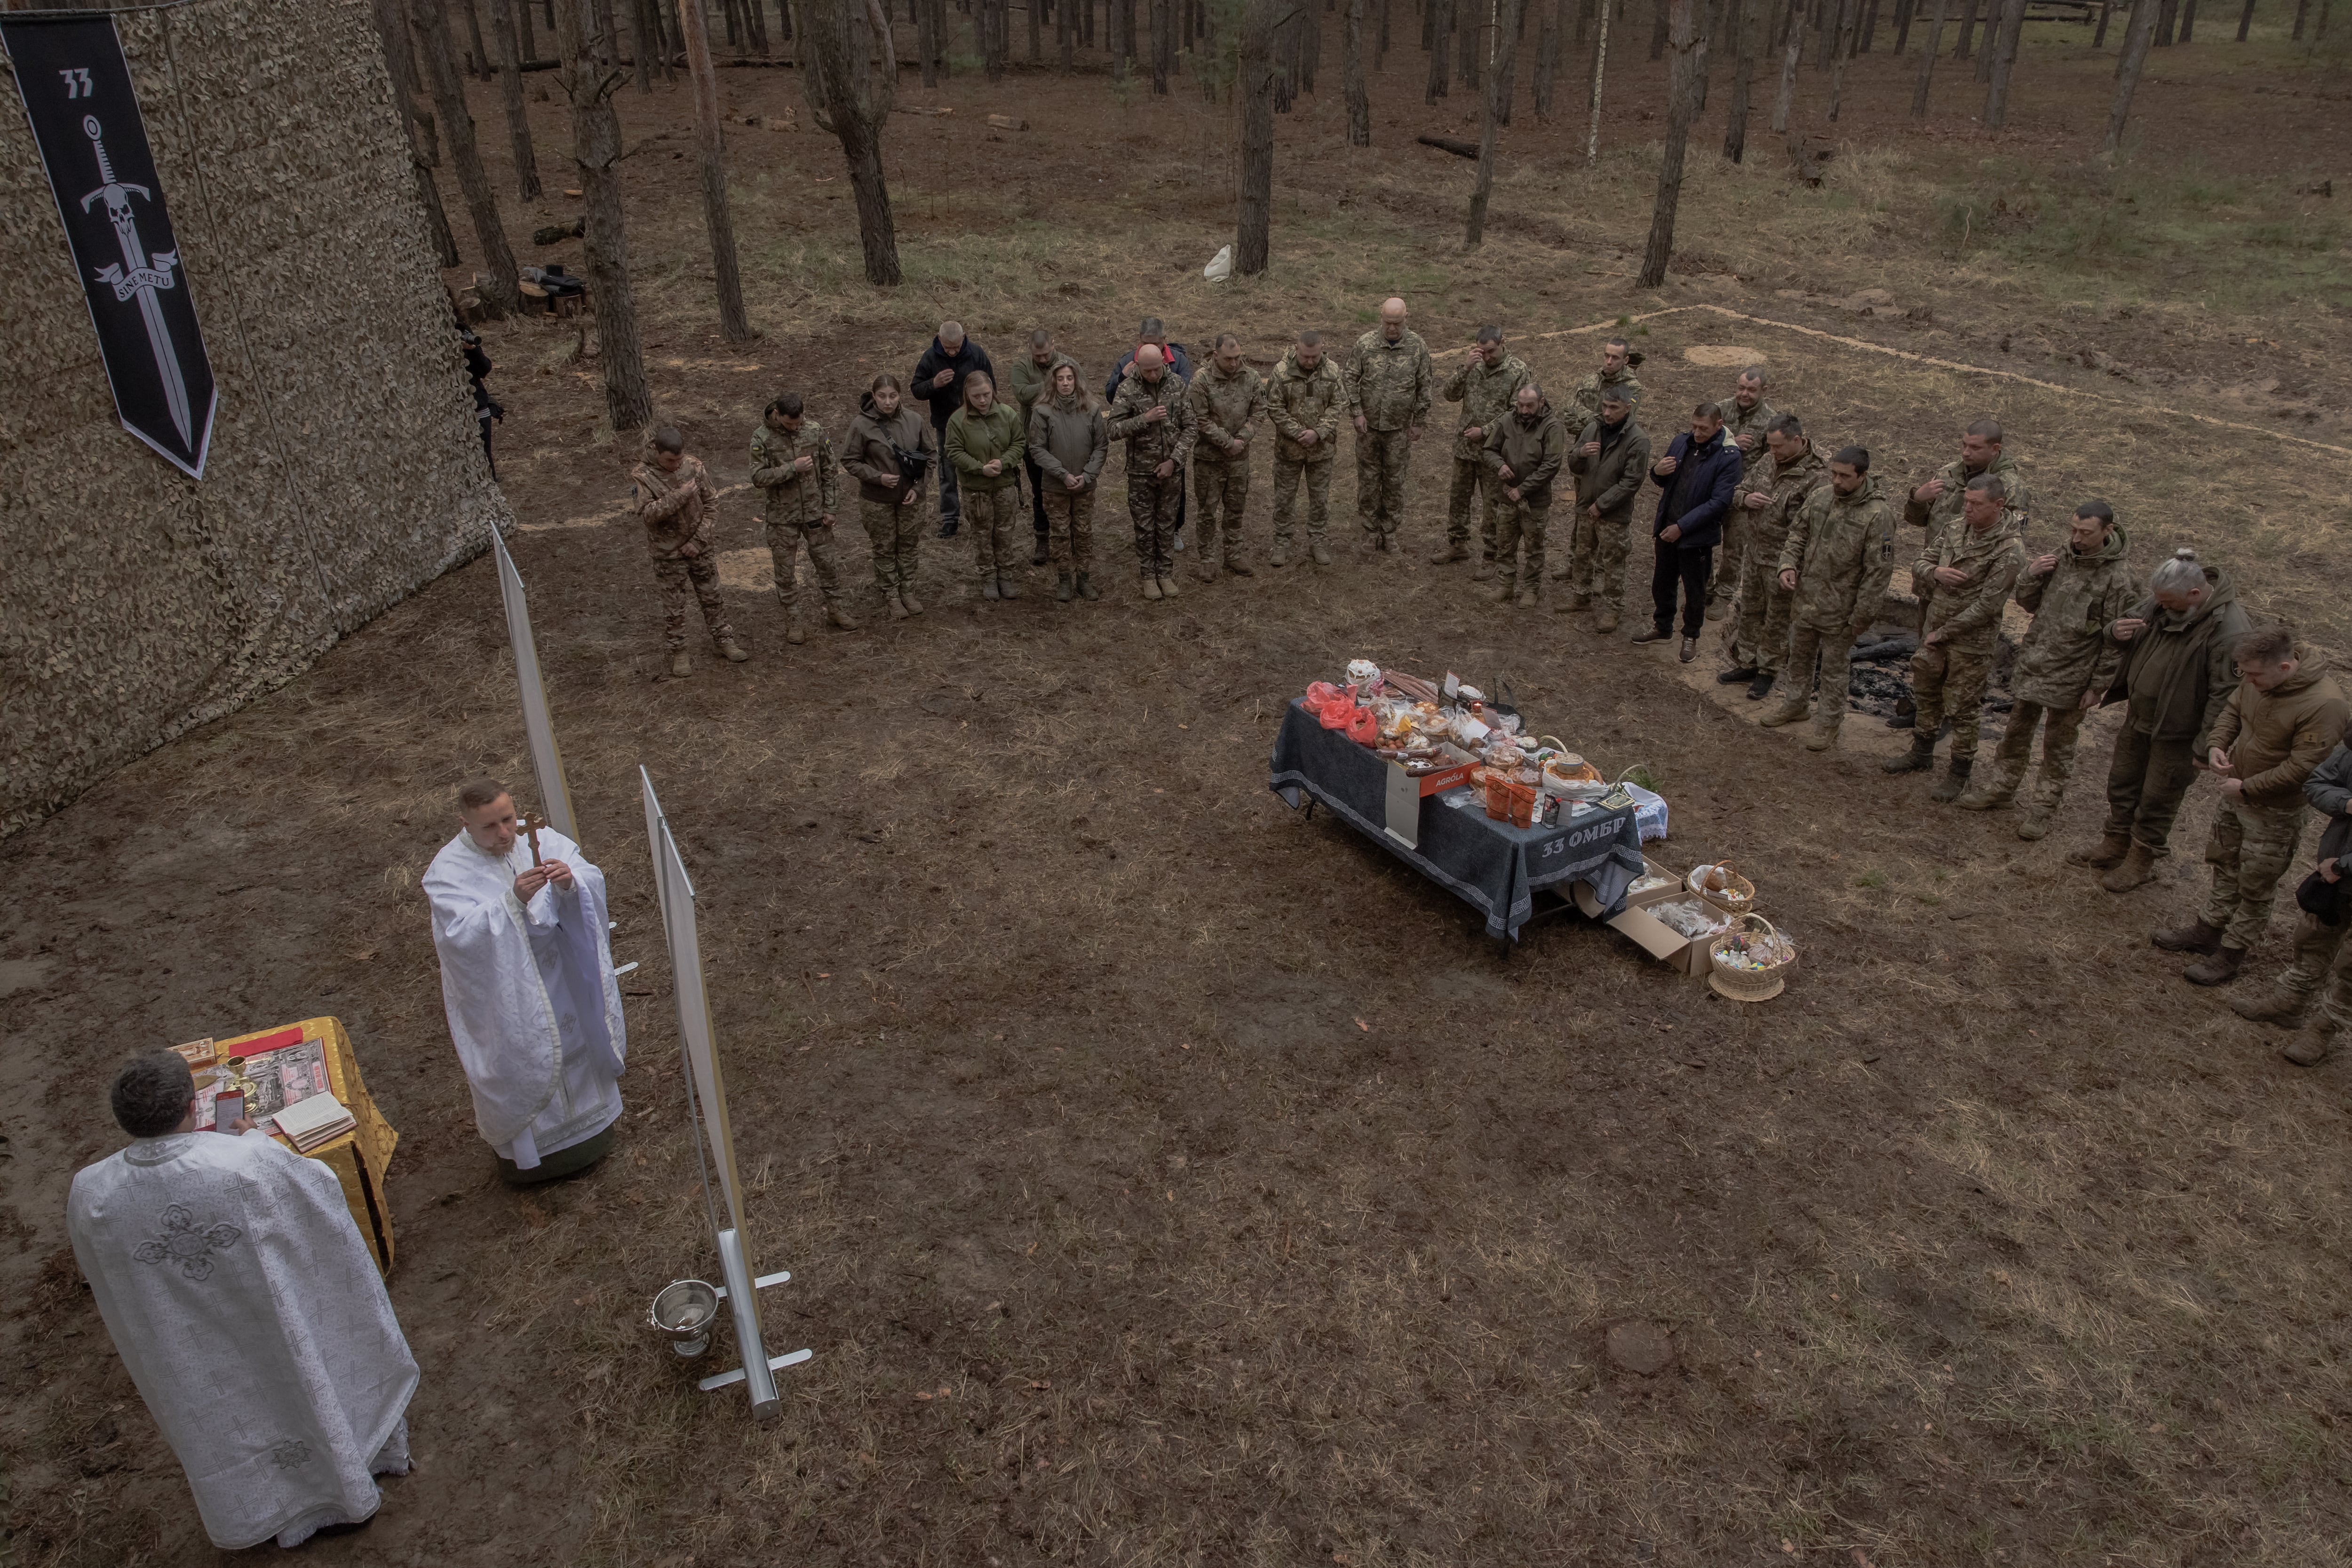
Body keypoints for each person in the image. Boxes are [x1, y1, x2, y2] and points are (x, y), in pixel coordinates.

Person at [67, 1051, 420, 1550]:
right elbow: (317, 1191)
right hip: (265, 1317)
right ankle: (342, 1481)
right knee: (301, 1386)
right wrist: (254, 1140)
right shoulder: (242, 1162)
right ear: (192, 1107)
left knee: (227, 1415)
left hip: (182, 1341)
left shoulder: (92, 1192)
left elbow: (108, 1271)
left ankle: (266, 1506)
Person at [426, 778, 628, 1181]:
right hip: (508, 993)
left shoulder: (539, 837)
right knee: (523, 1059)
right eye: (490, 826)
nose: (505, 833)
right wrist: (512, 902)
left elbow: (587, 875)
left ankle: (594, 1132)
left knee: (575, 1040)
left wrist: (570, 882)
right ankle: (536, 1159)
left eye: (508, 819)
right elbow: (458, 937)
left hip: (563, 977)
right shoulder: (447, 872)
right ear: (465, 823)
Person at [2146, 628, 2348, 987]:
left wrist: (2249, 787)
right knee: (2224, 864)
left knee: (2255, 883)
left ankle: (2233, 952)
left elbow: (2305, 767)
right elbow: (2233, 709)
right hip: (2237, 795)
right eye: (2245, 673)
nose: (2249, 680)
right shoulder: (2257, 678)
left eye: (2254, 674)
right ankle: (2208, 930)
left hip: (2276, 811)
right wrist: (2217, 744)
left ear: (2284, 667)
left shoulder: (2325, 704)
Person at [2069, 548, 2251, 892]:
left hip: (2179, 733)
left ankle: (2142, 859)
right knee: (2122, 782)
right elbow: (2126, 623)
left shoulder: (2229, 632)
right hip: (2140, 718)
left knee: (2158, 796)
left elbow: (2227, 697)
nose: (2161, 607)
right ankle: (2115, 843)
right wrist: (2115, 630)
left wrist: (2207, 746)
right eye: (2160, 601)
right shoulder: (2165, 601)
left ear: (2194, 594)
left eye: (2169, 603)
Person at [1954, 501, 2134, 836]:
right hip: (2035, 664)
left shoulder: (2119, 579)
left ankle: (2042, 810)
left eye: (2086, 532)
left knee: (2058, 747)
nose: (2077, 538)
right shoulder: (2061, 557)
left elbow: (2116, 640)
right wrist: (2030, 574)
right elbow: (2028, 603)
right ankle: (2001, 790)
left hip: (2074, 675)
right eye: (2074, 530)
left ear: (2108, 531)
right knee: (2015, 733)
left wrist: (2098, 686)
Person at [1882, 473, 2028, 802]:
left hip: (1969, 643)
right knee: (1927, 694)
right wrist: (1935, 572)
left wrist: (1943, 633)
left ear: (1999, 505)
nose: (1968, 509)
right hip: (1935, 630)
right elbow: (1920, 561)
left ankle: (1959, 773)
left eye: (1976, 504)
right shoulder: (1954, 528)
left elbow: (1988, 606)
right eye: (1967, 502)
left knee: (1963, 708)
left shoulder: (2010, 549)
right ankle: (1921, 752)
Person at [1759, 446, 1898, 752]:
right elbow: (1797, 535)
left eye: (1844, 476)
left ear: (1863, 476)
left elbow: (1878, 574)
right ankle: (1796, 705)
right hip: (1806, 598)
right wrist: (1787, 565)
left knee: (1834, 671)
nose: (1836, 480)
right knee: (1799, 657)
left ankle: (1829, 723)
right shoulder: (1820, 497)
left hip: (1841, 610)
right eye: (1834, 473)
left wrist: (1861, 617)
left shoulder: (1878, 515)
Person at [1895, 418, 2032, 727]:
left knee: (1959, 661)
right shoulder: (1948, 473)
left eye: (1975, 447)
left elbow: (2011, 537)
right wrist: (1917, 499)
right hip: (1935, 579)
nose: (1966, 452)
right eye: (1964, 445)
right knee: (1928, 651)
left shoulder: (2010, 487)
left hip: (1971, 592)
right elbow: (1919, 520)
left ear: (1995, 449)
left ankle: (1949, 715)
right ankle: (1926, 712)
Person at [2232, 737, 2352, 1064]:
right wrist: (2347, 803)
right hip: (2334, 877)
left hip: (2338, 869)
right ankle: (2289, 1004)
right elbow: (2316, 784)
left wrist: (2343, 866)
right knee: (2312, 938)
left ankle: (2323, 1030)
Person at [1718, 414, 1826, 701]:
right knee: (1751, 611)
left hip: (1784, 561)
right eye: (1770, 445)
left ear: (1797, 440)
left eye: (1778, 446)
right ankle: (1747, 663)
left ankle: (1768, 671)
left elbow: (1813, 527)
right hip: (1755, 554)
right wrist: (1746, 500)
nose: (1773, 451)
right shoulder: (1768, 461)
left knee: (1777, 618)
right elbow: (1739, 491)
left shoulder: (1818, 475)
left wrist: (1794, 564)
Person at [632, 426, 747, 678]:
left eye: (679, 459)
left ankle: (724, 640)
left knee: (712, 597)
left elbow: (712, 502)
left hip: (700, 549)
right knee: (675, 607)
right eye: (670, 461)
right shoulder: (643, 476)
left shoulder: (693, 466)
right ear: (657, 453)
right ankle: (680, 652)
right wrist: (680, 496)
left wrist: (699, 540)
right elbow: (648, 515)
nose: (676, 465)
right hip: (668, 554)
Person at [1633, 402, 1741, 662]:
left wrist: (1682, 527)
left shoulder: (1729, 456)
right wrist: (1656, 472)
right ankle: (1663, 627)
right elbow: (1665, 480)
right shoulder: (1681, 443)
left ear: (1719, 425)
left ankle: (1691, 635)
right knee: (1662, 583)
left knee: (1695, 591)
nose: (1697, 433)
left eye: (1703, 428)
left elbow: (1719, 503)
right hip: (1667, 527)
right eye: (1694, 426)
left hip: (1696, 536)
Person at [748, 394, 858, 645]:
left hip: (815, 513)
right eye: (790, 424)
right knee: (785, 572)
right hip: (782, 518)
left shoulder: (815, 431)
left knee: (827, 564)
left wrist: (831, 507)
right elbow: (757, 478)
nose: (796, 428)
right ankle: (794, 619)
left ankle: (836, 609)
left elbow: (830, 471)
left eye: (799, 422)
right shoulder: (761, 437)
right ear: (778, 415)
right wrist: (792, 468)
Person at [1437, 325, 1531, 574]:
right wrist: (1466, 369)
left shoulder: (1518, 371)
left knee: (1493, 505)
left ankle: (1492, 554)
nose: (1487, 357)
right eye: (1482, 352)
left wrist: (1486, 431)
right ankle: (1458, 544)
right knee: (1458, 499)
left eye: (1491, 352)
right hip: (1465, 448)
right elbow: (1449, 395)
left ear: (1502, 343)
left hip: (1495, 451)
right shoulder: (1473, 366)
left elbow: (1516, 412)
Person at [1104, 344, 1197, 600]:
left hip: (1171, 471)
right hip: (1141, 473)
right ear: (1138, 367)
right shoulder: (1127, 389)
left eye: (1158, 369)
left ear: (1164, 363)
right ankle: (1148, 576)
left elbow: (1191, 427)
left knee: (1167, 525)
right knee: (1145, 527)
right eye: (1148, 371)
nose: (1154, 375)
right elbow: (1112, 430)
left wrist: (1174, 461)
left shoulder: (1177, 385)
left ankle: (1165, 574)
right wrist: (1144, 419)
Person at [1558, 384, 1652, 634]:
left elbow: (1632, 482)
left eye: (1614, 408)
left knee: (1613, 562)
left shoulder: (1638, 440)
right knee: (1582, 554)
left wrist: (1602, 505)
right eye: (1605, 406)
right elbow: (1574, 465)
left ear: (1628, 409)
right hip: (1586, 506)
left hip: (1613, 514)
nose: (1607, 413)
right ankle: (1581, 596)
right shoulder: (1592, 428)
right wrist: (1580, 453)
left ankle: (1613, 608)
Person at [842, 373, 936, 618]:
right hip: (877, 500)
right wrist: (877, 477)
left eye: (893, 396)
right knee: (884, 547)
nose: (888, 402)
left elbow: (931, 456)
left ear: (900, 396)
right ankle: (891, 595)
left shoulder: (914, 420)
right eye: (882, 396)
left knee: (908, 546)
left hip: (911, 498)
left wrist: (919, 488)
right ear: (874, 397)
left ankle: (908, 592)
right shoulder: (861, 425)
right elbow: (850, 460)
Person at [1343, 297, 1434, 552]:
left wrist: (1419, 421)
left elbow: (1425, 385)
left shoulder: (1418, 346)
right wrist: (1356, 413)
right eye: (1388, 323)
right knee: (1369, 482)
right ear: (1381, 318)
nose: (1392, 328)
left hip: (1399, 430)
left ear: (1406, 318)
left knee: (1394, 483)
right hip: (1369, 428)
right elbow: (1349, 378)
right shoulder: (1366, 344)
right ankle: (1371, 532)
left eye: (1397, 323)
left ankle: (1390, 532)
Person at [1185, 332, 1267, 581]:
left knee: (1235, 509)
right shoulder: (1201, 380)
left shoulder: (1251, 377)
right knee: (1207, 511)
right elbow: (1199, 419)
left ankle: (1233, 555)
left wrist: (1241, 440)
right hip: (1209, 460)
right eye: (1228, 359)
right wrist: (1227, 443)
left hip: (1239, 459)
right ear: (1215, 355)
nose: (1234, 363)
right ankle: (1207, 560)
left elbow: (1260, 411)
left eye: (1237, 357)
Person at [944, 371, 1031, 601]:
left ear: (993, 390)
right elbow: (953, 451)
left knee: (1005, 532)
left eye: (986, 394)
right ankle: (989, 578)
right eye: (976, 396)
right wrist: (979, 468)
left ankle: (1006, 576)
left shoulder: (1008, 414)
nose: (982, 400)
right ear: (967, 395)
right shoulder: (958, 421)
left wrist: (1004, 462)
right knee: (982, 534)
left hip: (1005, 485)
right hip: (977, 489)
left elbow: (1019, 443)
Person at [1026, 359, 1108, 602]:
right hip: (1056, 486)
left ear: (1077, 380)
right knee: (1060, 534)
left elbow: (1101, 446)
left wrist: (1088, 475)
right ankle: (1064, 579)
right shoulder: (1042, 411)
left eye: (1069, 378)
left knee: (1083, 532)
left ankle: (1084, 578)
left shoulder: (1092, 409)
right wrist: (1063, 475)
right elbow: (1037, 449)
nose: (1065, 383)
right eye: (1060, 379)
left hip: (1085, 485)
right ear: (1053, 382)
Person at [1264, 329, 1346, 568]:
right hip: (1289, 450)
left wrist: (1319, 432)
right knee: (1284, 499)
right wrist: (1299, 433)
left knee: (1320, 500)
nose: (1310, 362)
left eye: (1315, 357)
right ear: (1296, 349)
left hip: (1321, 451)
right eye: (1305, 357)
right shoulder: (1281, 372)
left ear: (1322, 350)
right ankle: (1281, 543)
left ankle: (1318, 542)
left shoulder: (1332, 371)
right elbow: (1274, 407)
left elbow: (1339, 404)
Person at [1481, 382, 1566, 609]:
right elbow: (1489, 450)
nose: (1524, 410)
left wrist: (1522, 490)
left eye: (1530, 406)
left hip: (1534, 502)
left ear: (1542, 402)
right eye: (1520, 405)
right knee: (1505, 544)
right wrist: (1499, 465)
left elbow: (1551, 465)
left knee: (1534, 548)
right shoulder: (1506, 420)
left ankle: (1531, 589)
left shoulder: (1552, 427)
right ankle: (1506, 585)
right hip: (1506, 498)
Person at [1705, 365, 1778, 621]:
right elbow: (1698, 441)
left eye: (1751, 390)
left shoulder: (1772, 422)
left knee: (1734, 548)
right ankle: (1704, 589)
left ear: (1764, 390)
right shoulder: (1719, 411)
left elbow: (1772, 463)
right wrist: (1730, 443)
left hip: (1743, 495)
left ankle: (1724, 593)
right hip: (1713, 489)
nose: (1744, 394)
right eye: (1741, 388)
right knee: (1703, 542)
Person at [910, 322, 994, 538]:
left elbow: (991, 387)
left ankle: (981, 516)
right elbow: (916, 390)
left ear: (964, 337)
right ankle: (950, 519)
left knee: (978, 468)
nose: (953, 352)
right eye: (948, 348)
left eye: (956, 347)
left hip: (975, 423)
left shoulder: (976, 354)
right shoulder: (930, 357)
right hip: (946, 426)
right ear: (939, 339)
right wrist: (934, 383)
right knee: (947, 472)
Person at [1006, 329, 1077, 565]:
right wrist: (1052, 382)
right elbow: (1022, 395)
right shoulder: (1022, 367)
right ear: (1030, 349)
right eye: (1038, 356)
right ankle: (1043, 540)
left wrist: (1048, 387)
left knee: (1070, 490)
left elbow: (1080, 391)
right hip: (1035, 440)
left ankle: (1071, 537)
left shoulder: (1069, 363)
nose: (1043, 359)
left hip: (1066, 440)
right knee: (1040, 492)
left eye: (1046, 354)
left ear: (1053, 344)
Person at [1567, 335, 1644, 430]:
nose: (1609, 362)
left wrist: (1581, 413)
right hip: (1584, 439)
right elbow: (1568, 417)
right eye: (1607, 356)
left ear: (1626, 360)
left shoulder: (1633, 388)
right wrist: (1594, 429)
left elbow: (1620, 423)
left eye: (1615, 358)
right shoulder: (1589, 381)